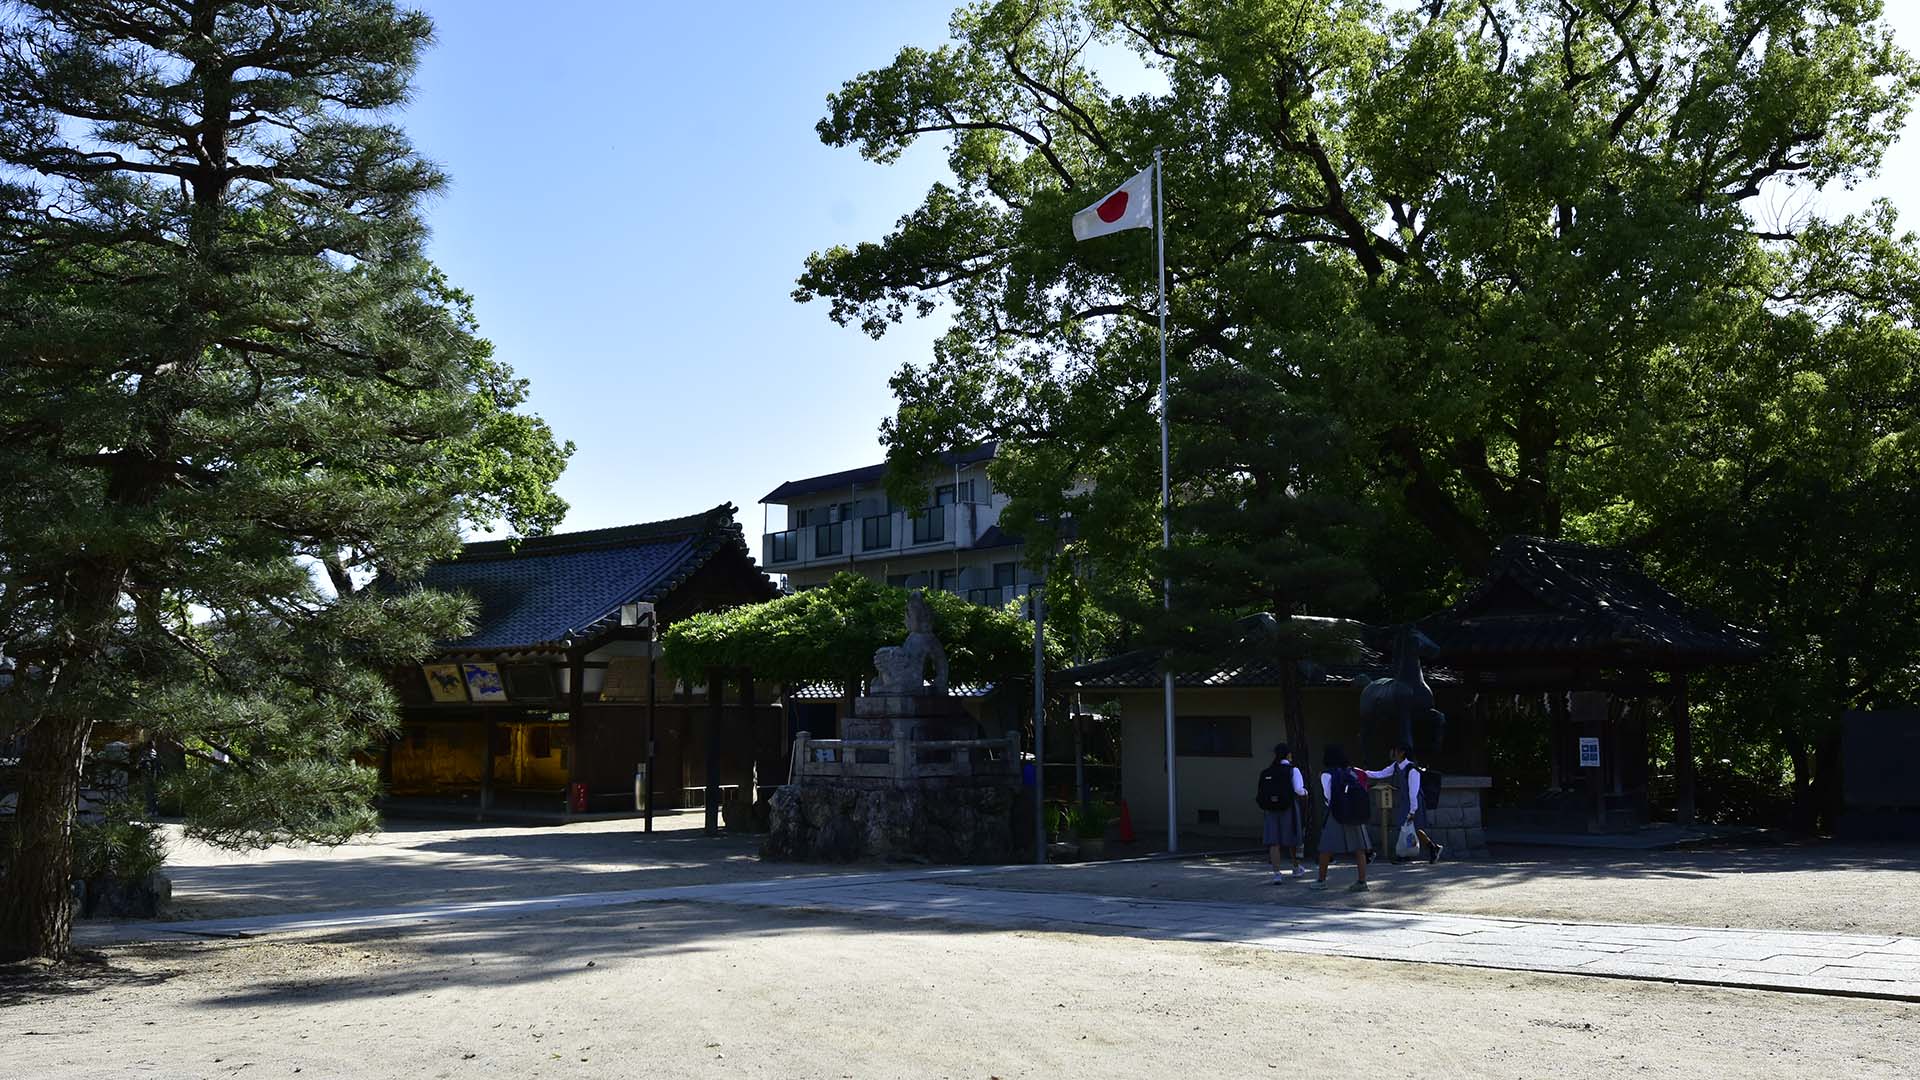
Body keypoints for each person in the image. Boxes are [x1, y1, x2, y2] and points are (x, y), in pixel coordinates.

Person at [1366, 743, 1443, 863]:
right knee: (1412, 827)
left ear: (1402, 753)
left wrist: (1413, 810)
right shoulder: (1396, 766)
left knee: (1406, 826)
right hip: (1405, 801)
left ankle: (1404, 855)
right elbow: (1381, 773)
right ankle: (1432, 847)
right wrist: (1363, 772)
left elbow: (1413, 791)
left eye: (1395, 750)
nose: (1392, 753)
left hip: (1413, 802)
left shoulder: (1412, 769)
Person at [1311, 744, 1370, 892]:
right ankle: (1362, 882)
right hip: (1354, 812)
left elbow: (1328, 797)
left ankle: (1321, 880)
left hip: (1336, 813)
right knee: (1359, 849)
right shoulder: (1351, 772)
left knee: (1325, 848)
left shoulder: (1326, 774)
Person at [1255, 743, 1308, 881]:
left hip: (1270, 809)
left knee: (1274, 841)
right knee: (1291, 838)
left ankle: (1277, 873)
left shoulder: (1268, 771)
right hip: (1288, 807)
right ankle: (1296, 867)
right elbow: (1298, 789)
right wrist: (1305, 793)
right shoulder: (1292, 770)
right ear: (1288, 754)